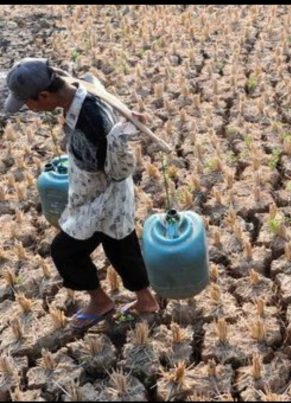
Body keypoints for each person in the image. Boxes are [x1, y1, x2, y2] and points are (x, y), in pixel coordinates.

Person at [3, 58, 160, 331]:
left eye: (29, 103)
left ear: (44, 95)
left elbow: (110, 165)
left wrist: (118, 135)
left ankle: (100, 302)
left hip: (101, 197)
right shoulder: (75, 86)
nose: (30, 108)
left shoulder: (89, 120)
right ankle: (146, 301)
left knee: (64, 252)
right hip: (109, 195)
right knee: (121, 246)